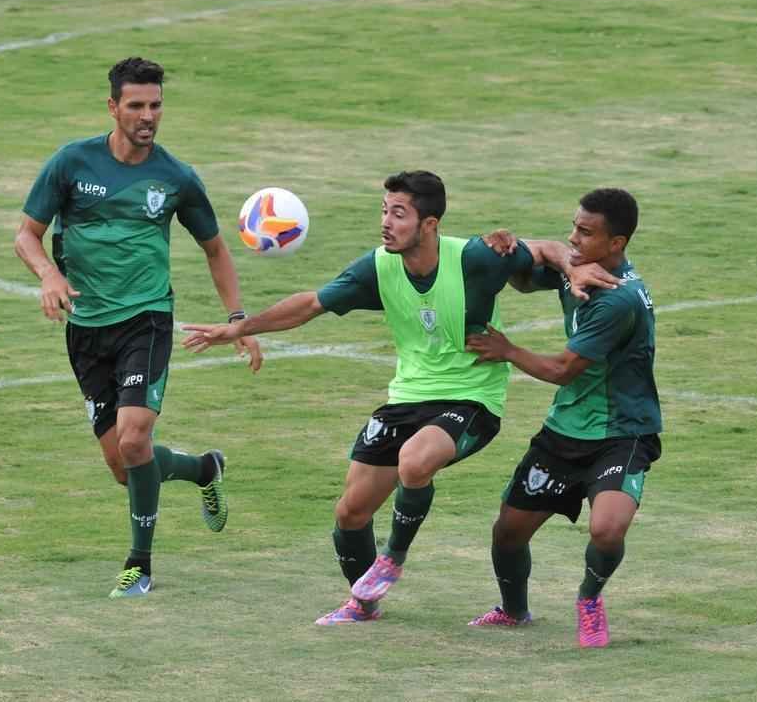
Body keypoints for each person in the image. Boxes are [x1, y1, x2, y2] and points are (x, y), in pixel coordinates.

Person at [181, 171, 616, 624]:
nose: (386, 223)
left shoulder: (474, 259)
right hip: (407, 397)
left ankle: (393, 557)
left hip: (471, 399)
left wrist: (572, 263)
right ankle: (363, 605)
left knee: (414, 460)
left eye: (399, 214)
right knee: (350, 512)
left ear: (429, 224)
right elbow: (312, 303)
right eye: (384, 211)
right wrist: (240, 327)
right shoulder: (379, 265)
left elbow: (542, 249)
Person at [13, 57, 262, 599]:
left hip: (145, 320)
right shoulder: (71, 163)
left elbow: (215, 248)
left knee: (134, 436)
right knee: (125, 467)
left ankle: (139, 565)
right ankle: (202, 469)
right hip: (86, 329)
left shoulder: (175, 177)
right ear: (113, 107)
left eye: (155, 106)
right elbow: (26, 236)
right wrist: (50, 274)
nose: (148, 116)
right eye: (137, 106)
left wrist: (239, 319)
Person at [465, 188, 661, 648]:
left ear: (617, 244)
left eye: (586, 232)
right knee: (507, 533)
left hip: (621, 432)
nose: (573, 237)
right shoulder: (579, 271)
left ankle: (589, 600)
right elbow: (522, 276)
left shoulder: (618, 300)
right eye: (573, 226)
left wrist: (507, 350)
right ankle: (513, 612)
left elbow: (562, 370)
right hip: (565, 431)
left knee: (607, 528)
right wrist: (505, 245)